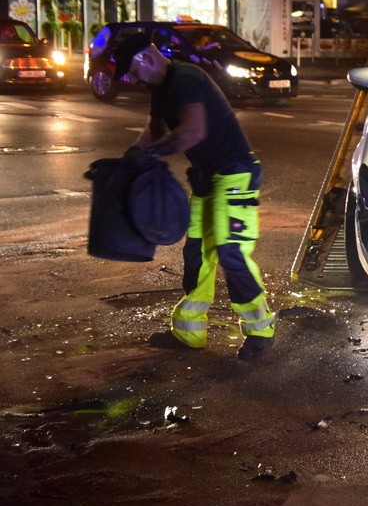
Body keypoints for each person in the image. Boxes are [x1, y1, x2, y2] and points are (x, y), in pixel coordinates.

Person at [112, 34, 276, 360]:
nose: (131, 79)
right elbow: (155, 129)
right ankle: (189, 331)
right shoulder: (161, 88)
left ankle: (261, 330)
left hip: (235, 176)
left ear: (145, 59)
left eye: (131, 72)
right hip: (207, 179)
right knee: (197, 254)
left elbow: (192, 131)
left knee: (231, 253)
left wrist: (151, 155)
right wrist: (131, 155)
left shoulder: (185, 79)